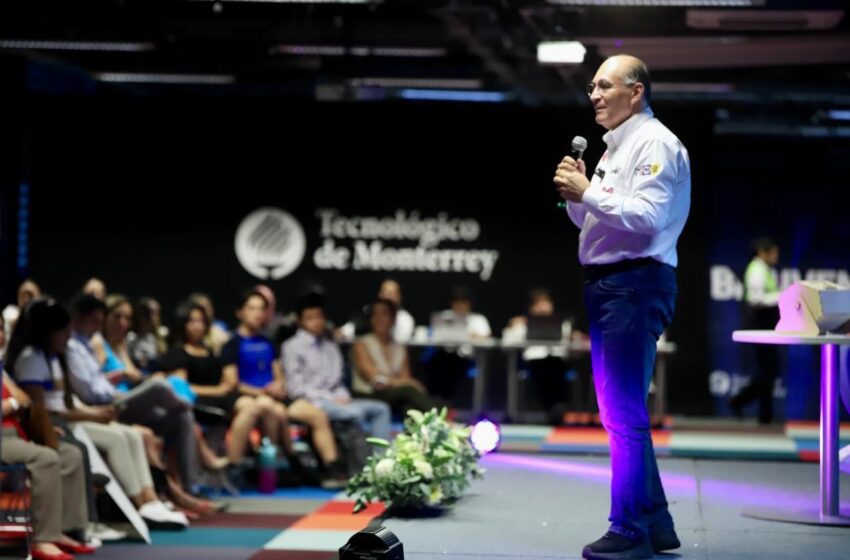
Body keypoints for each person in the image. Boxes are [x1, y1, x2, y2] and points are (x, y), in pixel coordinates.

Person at [553, 54, 690, 560]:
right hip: (616, 285)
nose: (593, 94)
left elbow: (650, 219)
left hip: (633, 284)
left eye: (604, 86)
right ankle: (655, 524)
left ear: (635, 92)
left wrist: (589, 191)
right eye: (591, 86)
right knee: (622, 412)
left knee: (622, 414)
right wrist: (579, 196)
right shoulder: (618, 147)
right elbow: (600, 225)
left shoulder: (654, 143)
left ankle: (629, 529)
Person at [220, 289, 347, 488]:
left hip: (274, 396)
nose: (257, 313)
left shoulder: (268, 342)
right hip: (247, 397)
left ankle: (331, 468)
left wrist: (278, 386)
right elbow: (232, 383)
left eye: (261, 309)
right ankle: (272, 463)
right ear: (240, 312)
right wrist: (263, 392)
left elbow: (279, 375)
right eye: (251, 308)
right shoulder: (231, 344)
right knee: (272, 409)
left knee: (317, 415)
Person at [282, 293, 392, 441]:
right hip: (313, 402)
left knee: (381, 409)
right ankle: (357, 461)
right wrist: (331, 398)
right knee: (353, 413)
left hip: (338, 400)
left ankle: (381, 461)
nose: (316, 322)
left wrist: (342, 395)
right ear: (299, 321)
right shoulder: (291, 347)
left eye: (319, 317)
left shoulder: (331, 345)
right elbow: (295, 388)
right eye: (310, 318)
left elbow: (338, 381)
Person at [351, 298, 433, 416]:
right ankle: (444, 422)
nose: (379, 319)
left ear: (393, 319)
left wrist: (405, 382)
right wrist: (409, 383)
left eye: (384, 314)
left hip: (392, 394)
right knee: (410, 391)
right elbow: (374, 378)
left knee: (410, 406)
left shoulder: (399, 347)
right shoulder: (361, 344)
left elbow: (405, 377)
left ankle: (420, 431)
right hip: (368, 393)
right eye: (375, 314)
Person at [730, 237, 781, 424]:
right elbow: (756, 299)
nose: (776, 256)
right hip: (759, 324)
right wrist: (781, 297)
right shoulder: (756, 269)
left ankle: (750, 407)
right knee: (768, 371)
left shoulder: (766, 270)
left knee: (769, 371)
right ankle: (763, 415)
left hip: (767, 324)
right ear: (762, 252)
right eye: (773, 252)